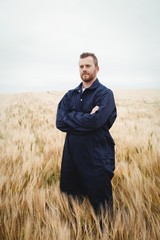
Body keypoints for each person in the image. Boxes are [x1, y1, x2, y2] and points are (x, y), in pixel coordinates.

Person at [56, 52, 117, 215]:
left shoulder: (105, 94)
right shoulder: (70, 95)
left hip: (97, 158)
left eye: (88, 66)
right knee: (72, 206)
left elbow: (97, 121)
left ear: (97, 68)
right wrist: (87, 117)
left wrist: (73, 117)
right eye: (81, 66)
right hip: (72, 160)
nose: (84, 69)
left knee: (103, 211)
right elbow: (60, 122)